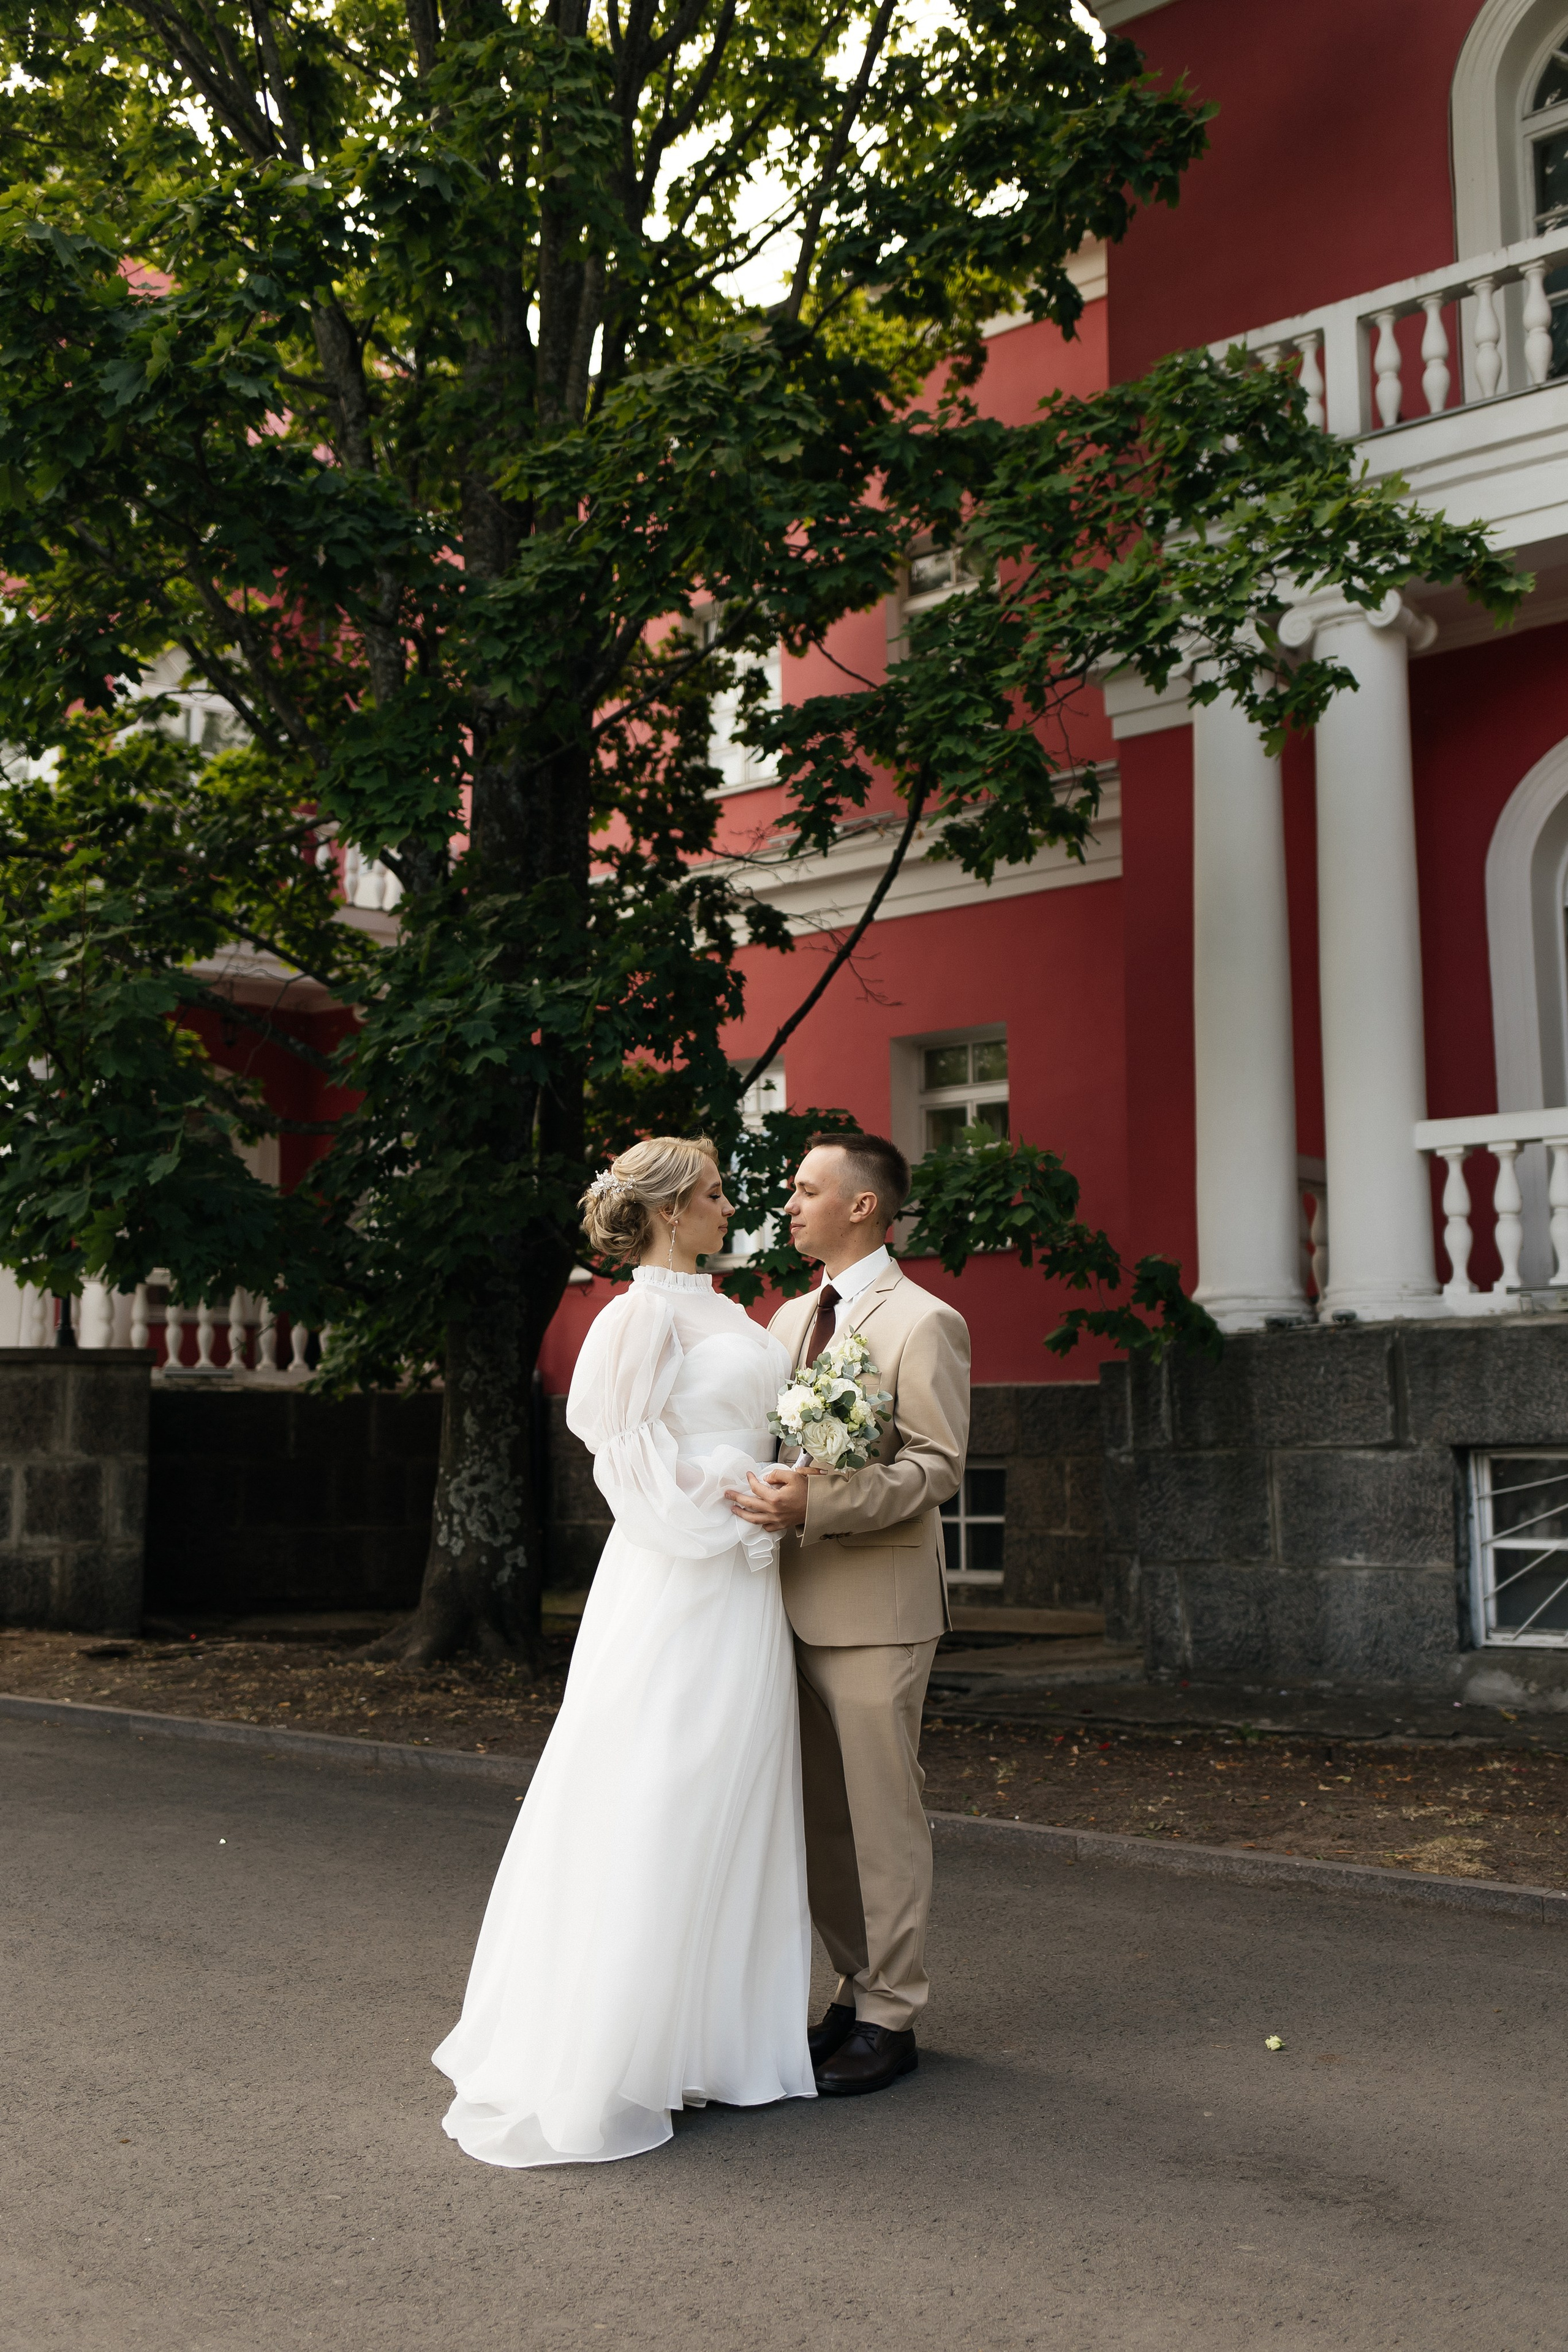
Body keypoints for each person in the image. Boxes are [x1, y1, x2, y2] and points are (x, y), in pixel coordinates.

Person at [432, 1137, 814, 2168]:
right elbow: (629, 1464)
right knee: (662, 1783)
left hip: (747, 1579)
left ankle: (715, 2042)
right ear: (671, 1210)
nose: (732, 1206)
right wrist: (733, 1522)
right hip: (684, 1577)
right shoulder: (637, 1316)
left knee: (738, 1785)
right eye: (717, 1193)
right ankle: (620, 2045)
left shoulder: (728, 1311)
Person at [728, 1133, 971, 2097]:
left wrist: (818, 1505)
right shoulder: (787, 1318)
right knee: (820, 1819)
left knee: (881, 1817)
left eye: (804, 1190)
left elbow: (937, 1467)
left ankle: (894, 2014)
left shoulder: (925, 1321)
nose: (787, 1205)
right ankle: (855, 1987)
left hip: (878, 1607)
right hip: (780, 1603)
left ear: (863, 1207)